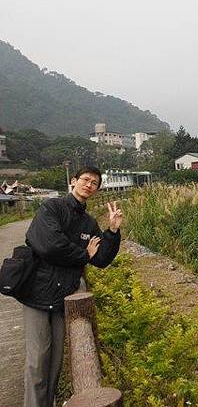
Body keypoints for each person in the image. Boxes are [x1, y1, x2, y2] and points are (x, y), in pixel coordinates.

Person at [17, 166, 123, 407]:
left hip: (64, 295)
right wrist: (83, 254)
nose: (89, 185)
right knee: (37, 359)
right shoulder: (52, 208)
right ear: (73, 181)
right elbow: (48, 245)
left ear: (96, 190)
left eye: (95, 183)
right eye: (85, 179)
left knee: (54, 362)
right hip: (37, 292)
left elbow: (101, 259)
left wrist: (113, 231)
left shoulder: (88, 222)